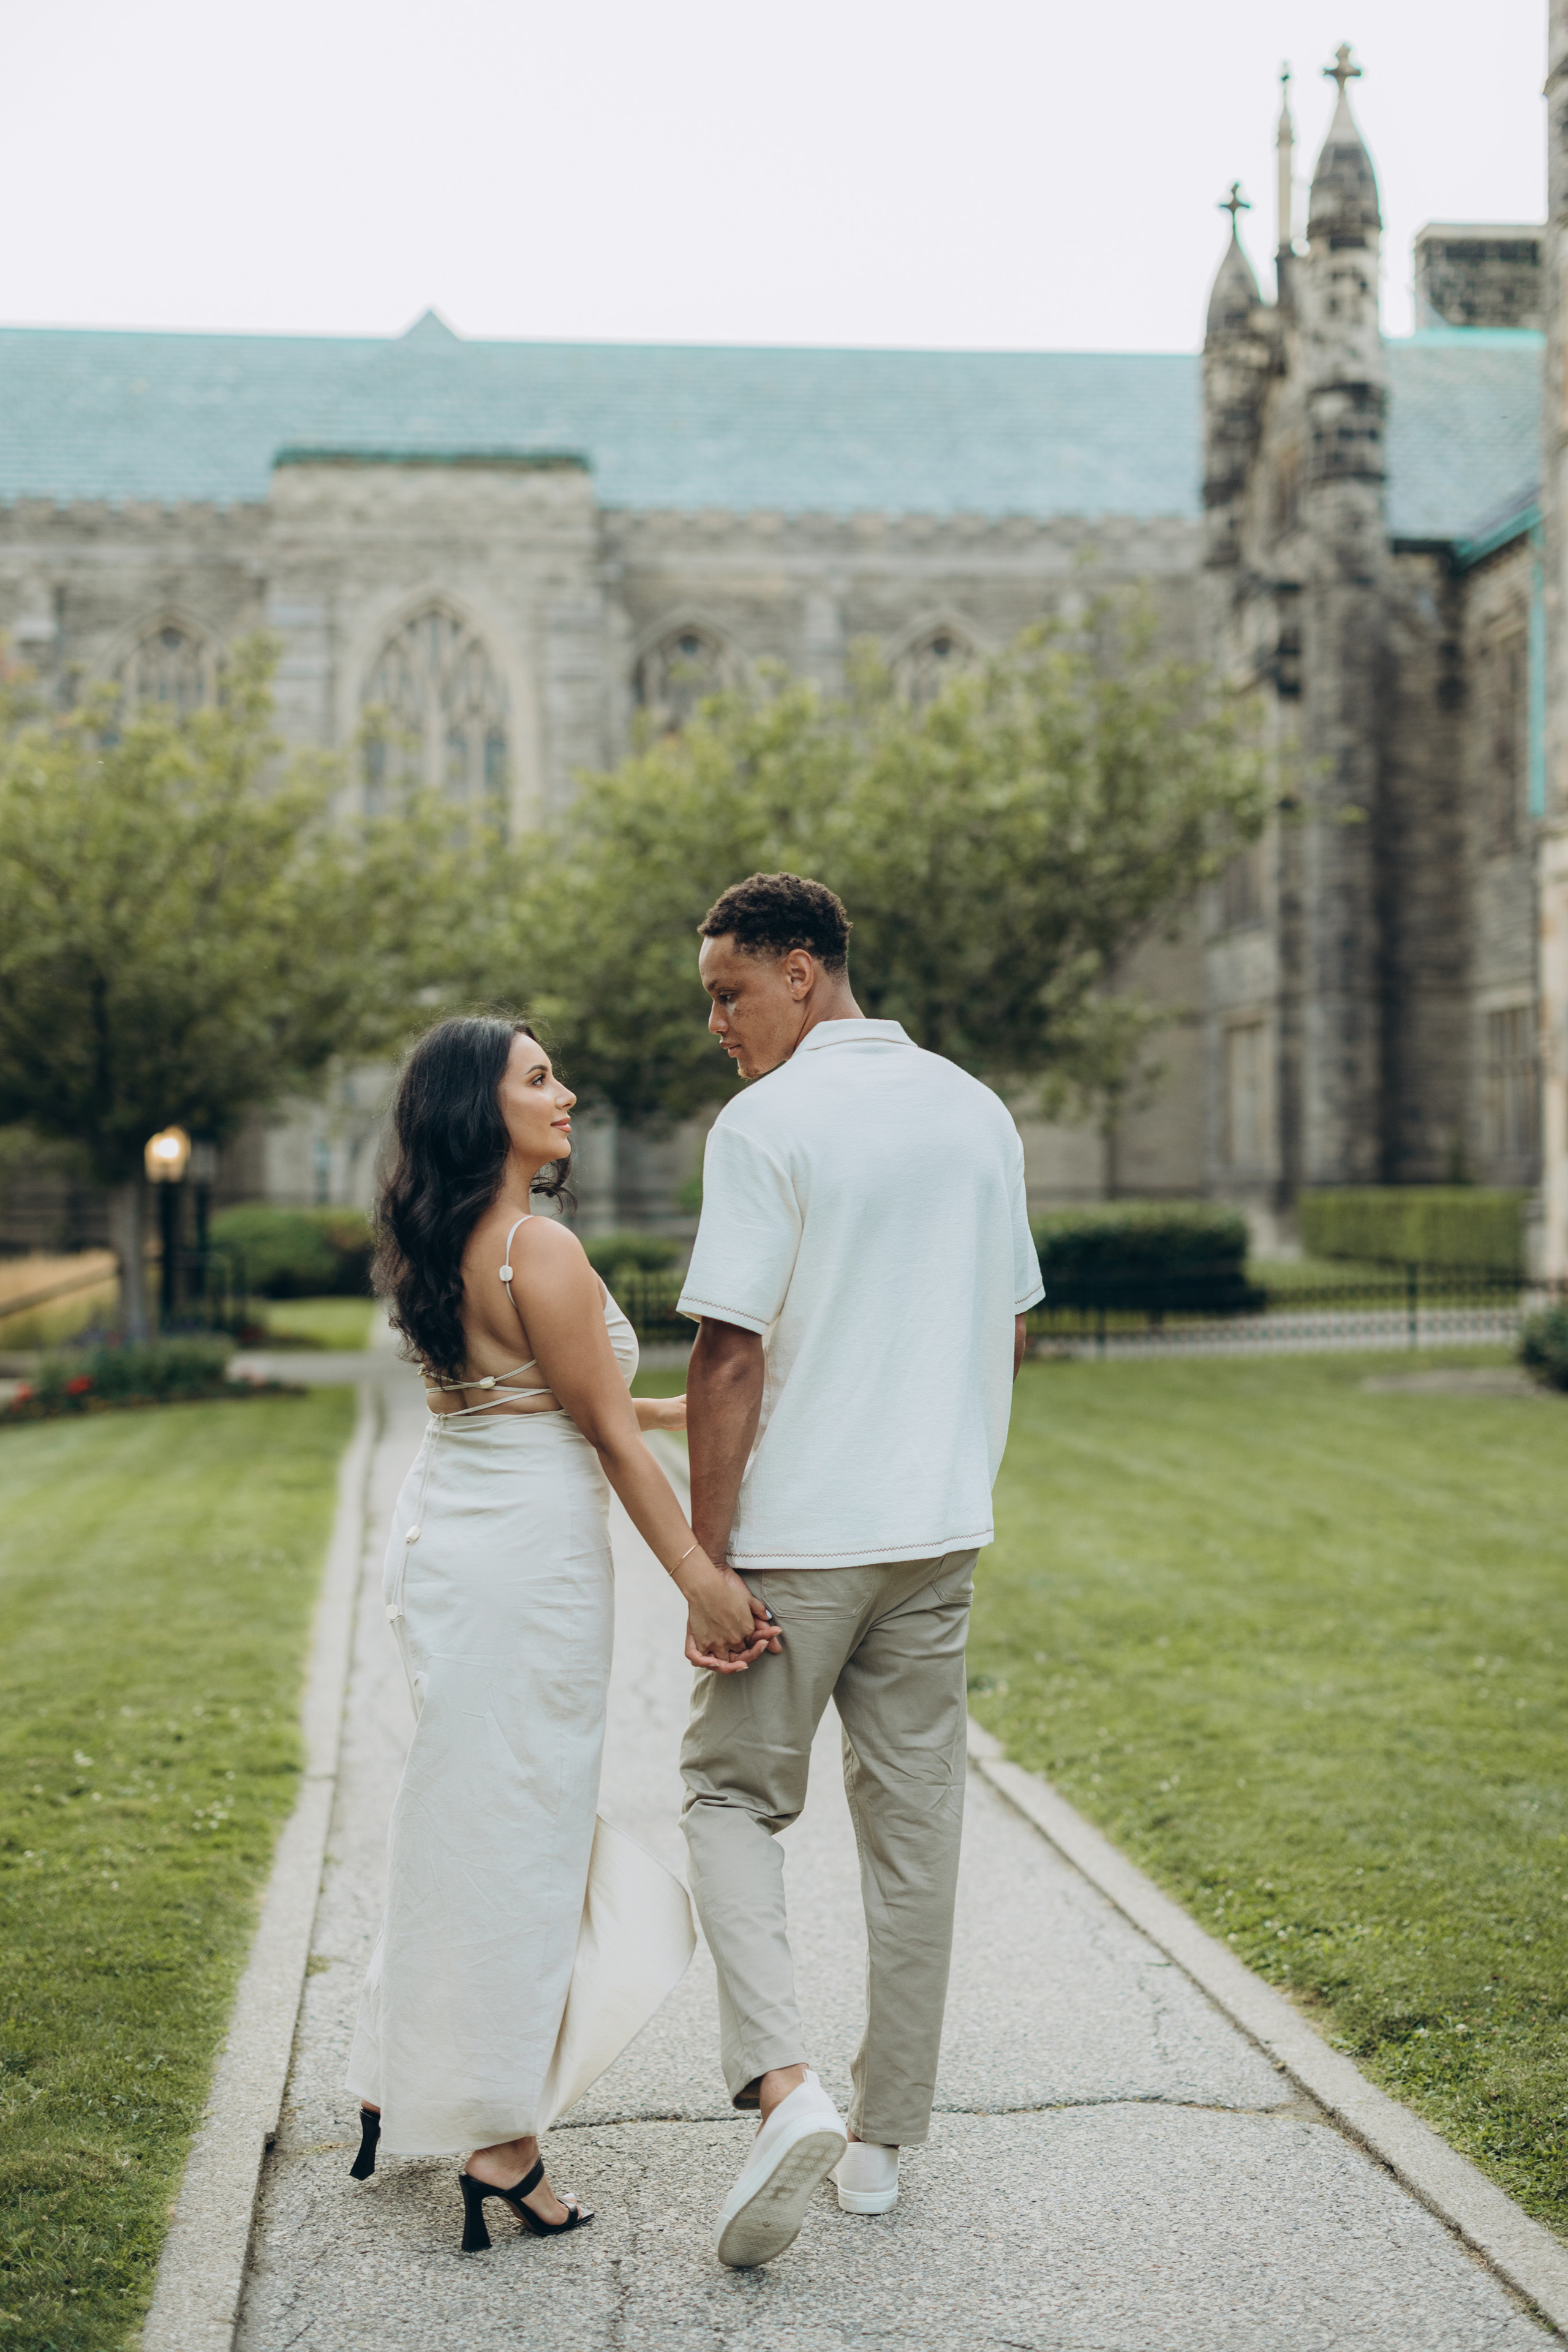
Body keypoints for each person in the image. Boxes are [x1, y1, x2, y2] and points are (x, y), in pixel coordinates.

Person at [344, 1014, 773, 2255]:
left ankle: (393, 2073)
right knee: (523, 1835)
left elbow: (549, 1397)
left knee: (463, 1807)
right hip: (523, 1565)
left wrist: (699, 1405)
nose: (566, 1092)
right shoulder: (541, 1246)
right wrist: (697, 1575)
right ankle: (501, 2143)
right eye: (540, 1079)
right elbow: (598, 1437)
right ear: (486, 1110)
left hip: (444, 1544)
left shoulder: (439, 1240)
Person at [677, 873, 1044, 2269]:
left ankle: (784, 2092)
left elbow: (728, 1348)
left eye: (727, 991)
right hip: (936, 1533)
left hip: (795, 1545)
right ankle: (882, 2142)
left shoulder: (767, 1122)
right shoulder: (973, 1107)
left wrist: (708, 1558)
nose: (717, 1022)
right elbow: (1005, 1324)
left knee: (723, 1796)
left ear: (799, 970)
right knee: (914, 1838)